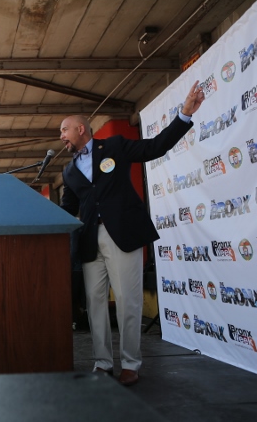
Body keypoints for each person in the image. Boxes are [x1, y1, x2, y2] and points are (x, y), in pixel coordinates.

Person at [59, 80, 205, 386]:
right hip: (88, 242)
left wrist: (184, 116)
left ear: (81, 130)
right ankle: (102, 362)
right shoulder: (68, 171)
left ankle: (130, 363)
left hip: (122, 233)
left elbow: (154, 147)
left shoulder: (113, 147)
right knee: (95, 301)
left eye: (64, 130)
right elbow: (66, 209)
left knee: (128, 300)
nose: (61, 137)